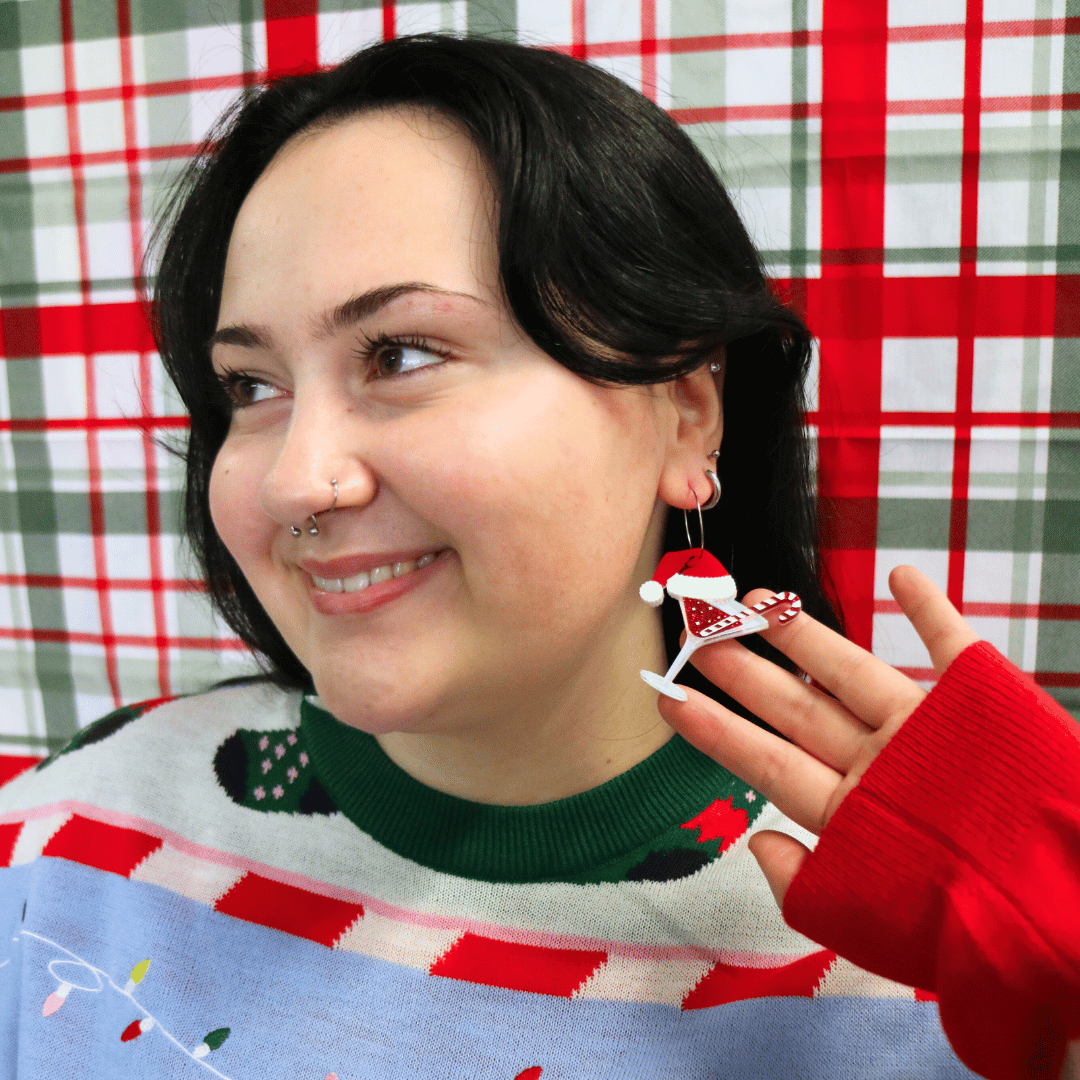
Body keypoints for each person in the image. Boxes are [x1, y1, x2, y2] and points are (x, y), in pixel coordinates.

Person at [0, 34, 1075, 1080]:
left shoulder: (938, 954)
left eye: (402, 353)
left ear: (686, 416)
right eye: (252, 387)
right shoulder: (70, 835)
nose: (292, 481)